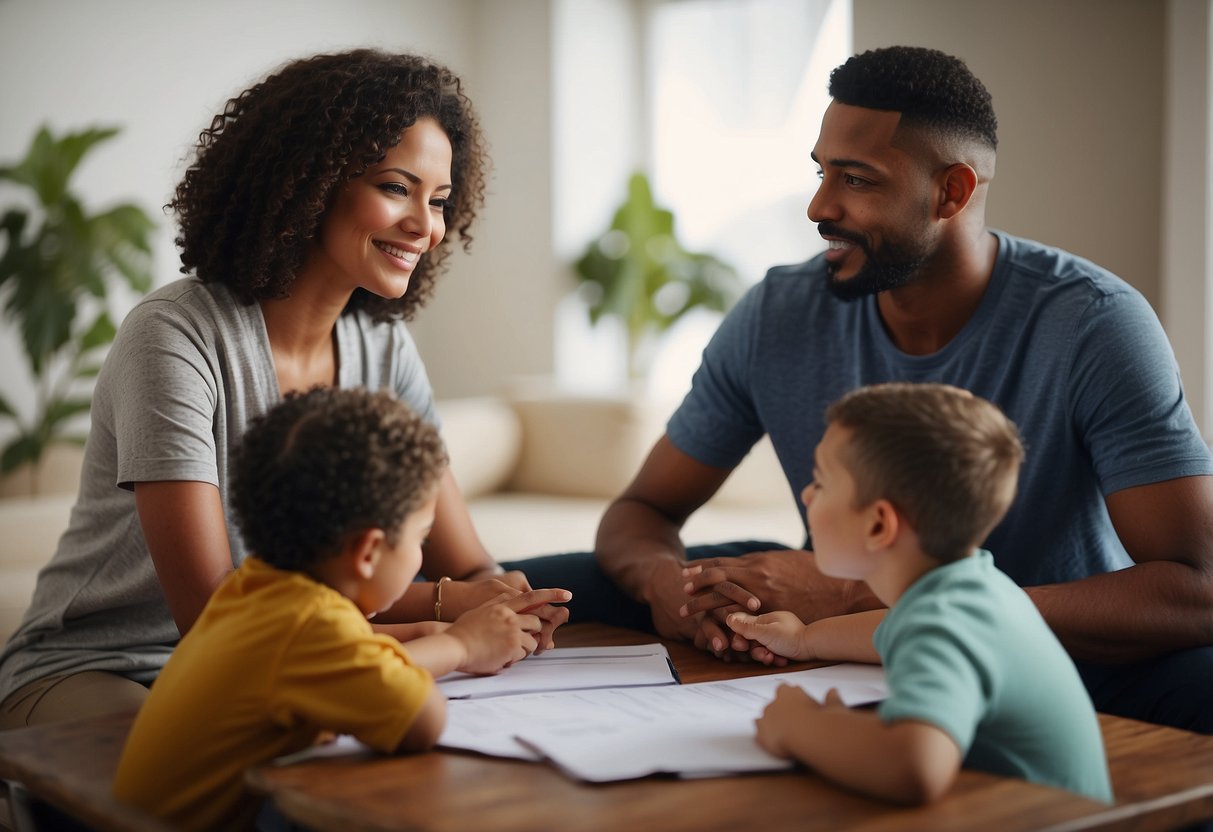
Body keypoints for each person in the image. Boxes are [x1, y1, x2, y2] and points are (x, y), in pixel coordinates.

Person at [517, 45, 1213, 734]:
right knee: (542, 584)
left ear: (952, 192)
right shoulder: (776, 313)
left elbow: (1193, 589)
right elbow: (641, 510)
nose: (819, 205)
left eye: (855, 180)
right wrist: (664, 585)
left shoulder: (1091, 323)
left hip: (1058, 654)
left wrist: (865, 592)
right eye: (820, 173)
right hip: (840, 640)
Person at [0, 49, 569, 729]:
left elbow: (469, 563)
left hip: (283, 663)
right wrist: (450, 618)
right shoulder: (175, 337)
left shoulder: (381, 348)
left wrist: (502, 601)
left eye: (440, 200)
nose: (426, 225)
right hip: (108, 665)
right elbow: (217, 619)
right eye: (396, 187)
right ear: (309, 183)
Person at [112, 387, 565, 830]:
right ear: (368, 552)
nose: (422, 556)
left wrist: (437, 634)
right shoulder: (311, 624)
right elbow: (422, 719)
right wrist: (462, 645)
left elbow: (351, 651)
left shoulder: (255, 589)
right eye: (420, 537)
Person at [727, 382, 1112, 804]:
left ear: (879, 525)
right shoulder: (971, 590)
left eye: (821, 483)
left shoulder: (943, 621)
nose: (806, 494)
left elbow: (915, 766)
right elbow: (892, 628)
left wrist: (798, 726)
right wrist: (803, 639)